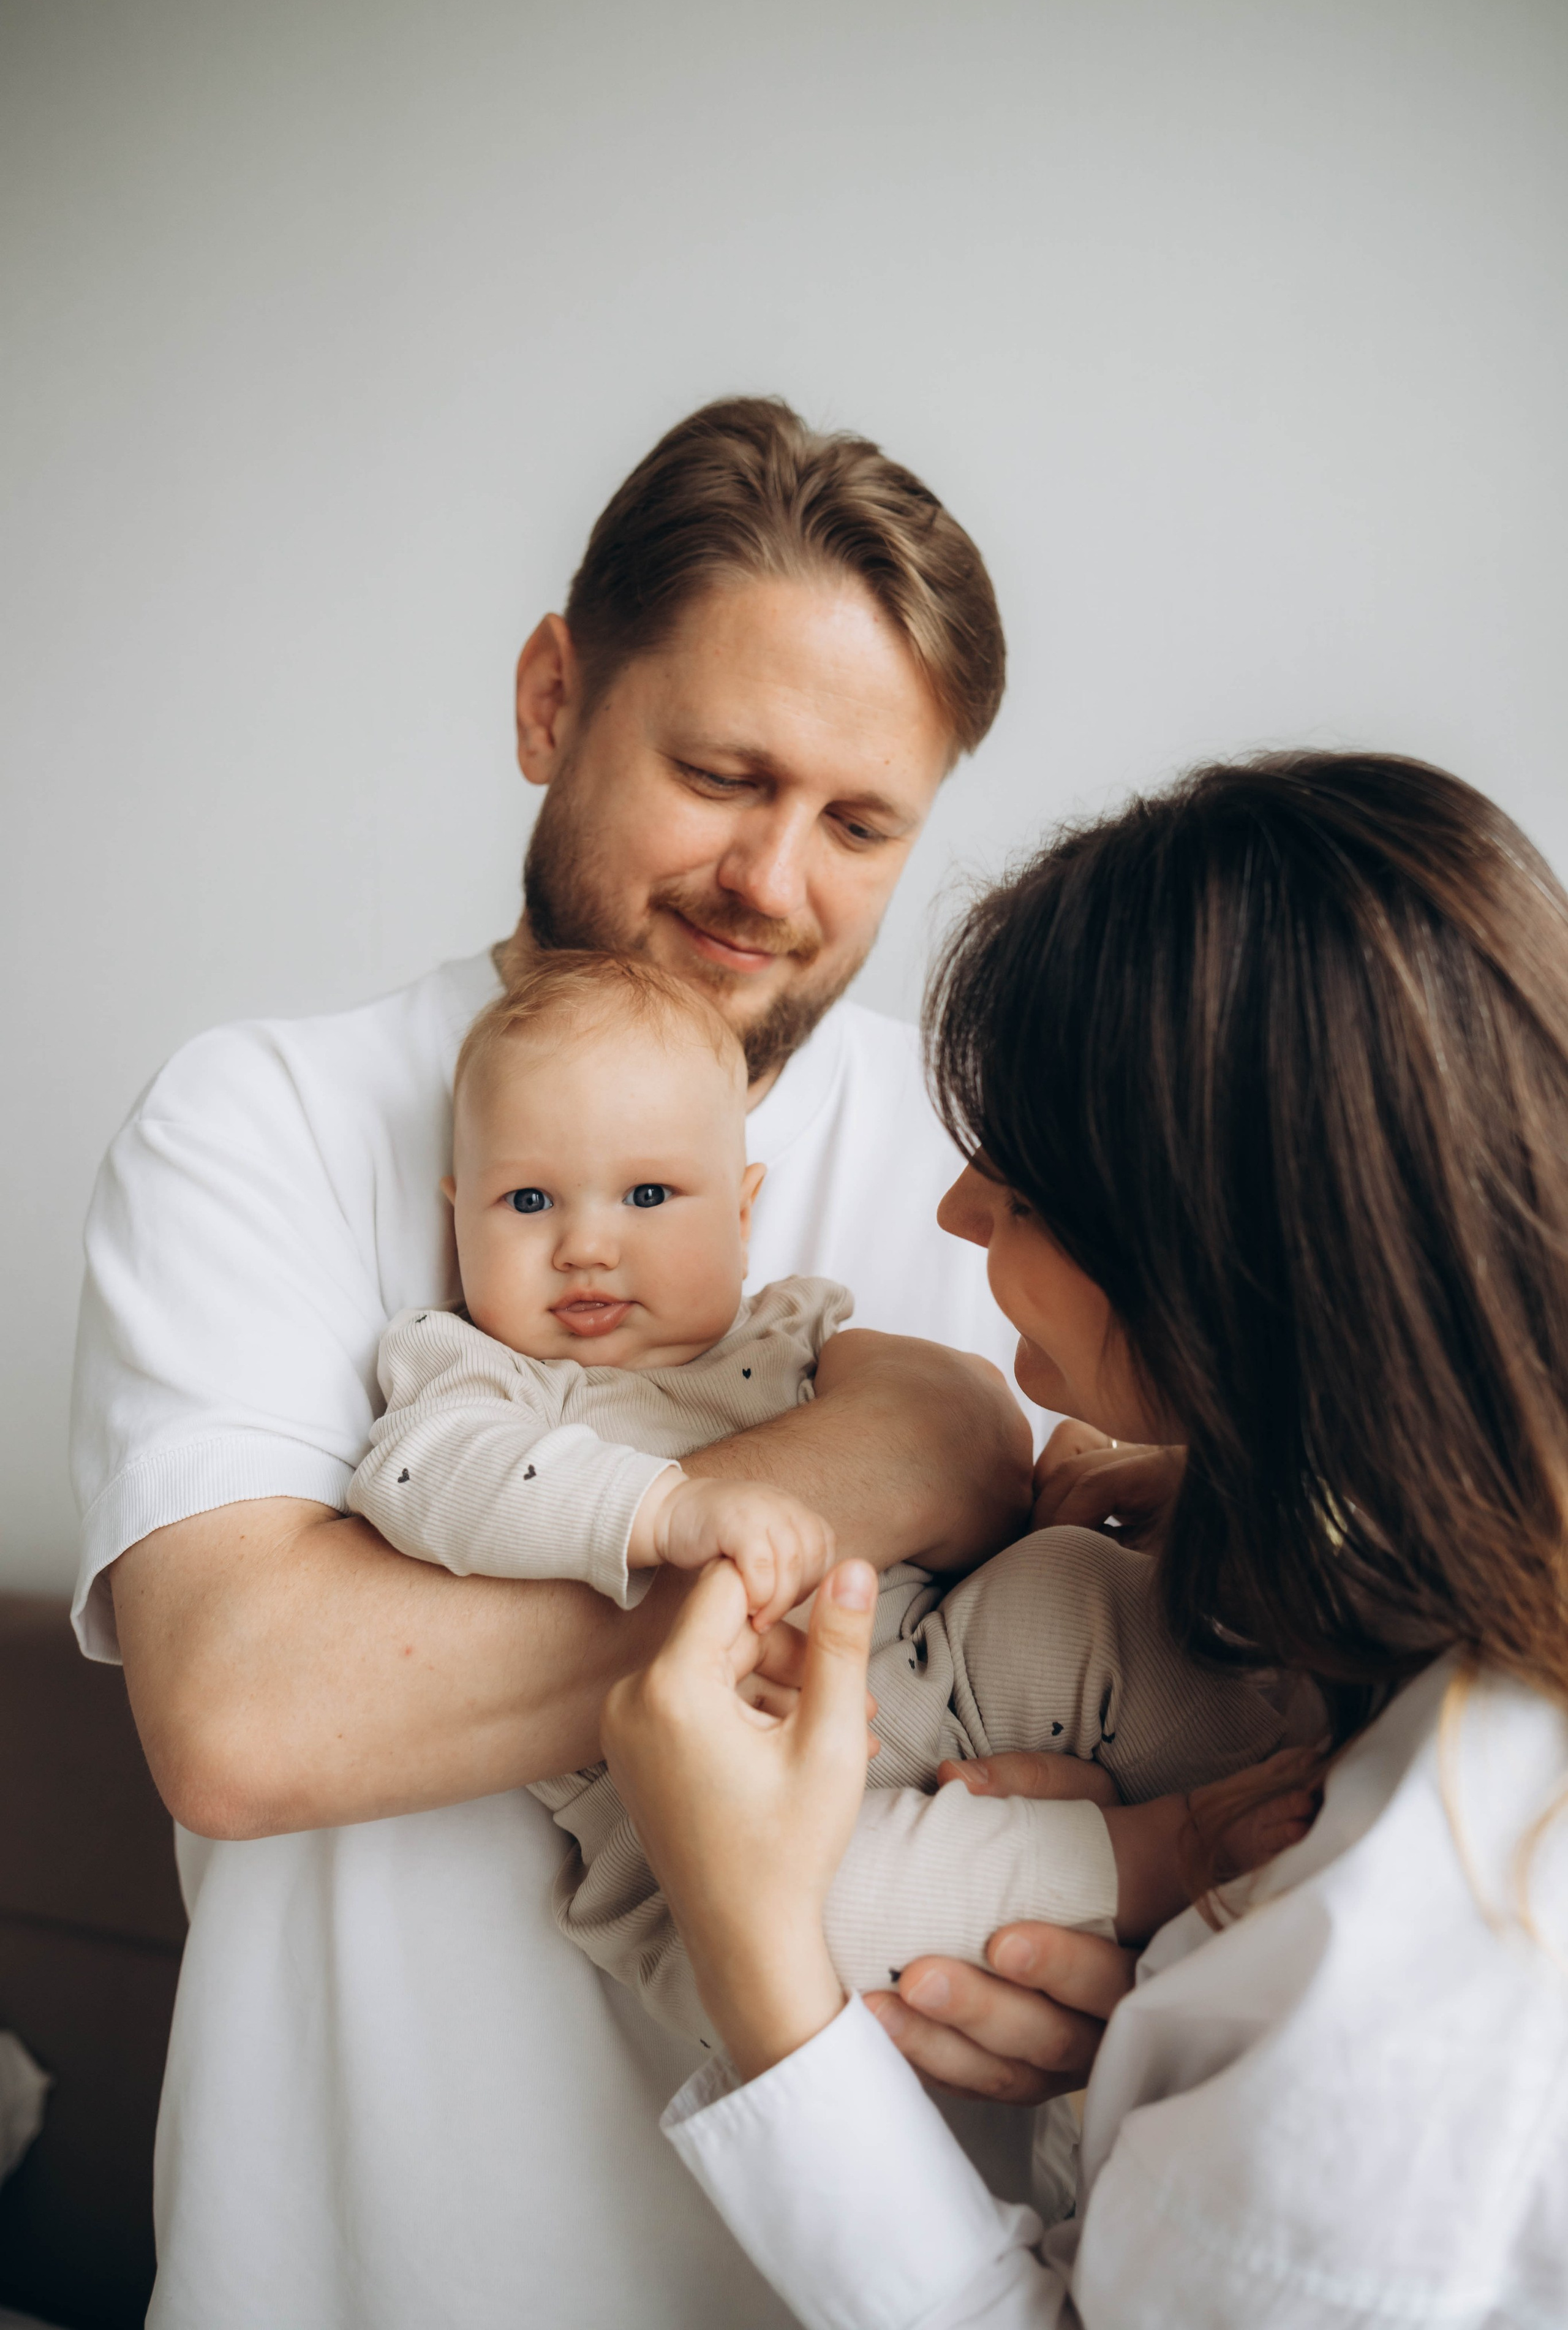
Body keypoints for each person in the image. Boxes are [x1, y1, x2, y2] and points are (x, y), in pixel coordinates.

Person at [70, 396, 1107, 2329]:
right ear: (554, 698)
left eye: (861, 824)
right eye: (722, 775)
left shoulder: (996, 1175)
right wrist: (888, 1473)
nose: (773, 879)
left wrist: (1091, 1907)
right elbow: (247, 1715)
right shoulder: (259, 1121)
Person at [604, 751, 1568, 2328]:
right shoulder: (1386, 1631)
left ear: (1225, 1263)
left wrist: (758, 1958)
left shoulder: (1449, 1930)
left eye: (1026, 1188)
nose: (954, 1213)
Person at [352, 947, 1294, 2046]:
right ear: (458, 1215)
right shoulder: (482, 1373)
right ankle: (1161, 1856)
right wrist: (663, 1509)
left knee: (1076, 1585)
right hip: (708, 1824)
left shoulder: (797, 1333)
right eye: (527, 1201)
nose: (587, 1247)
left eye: (649, 1195)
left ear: (743, 1210)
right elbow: (425, 1478)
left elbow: (972, 1455)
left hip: (934, 1673)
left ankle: (1287, 1773)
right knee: (821, 1918)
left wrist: (1070, 1492)